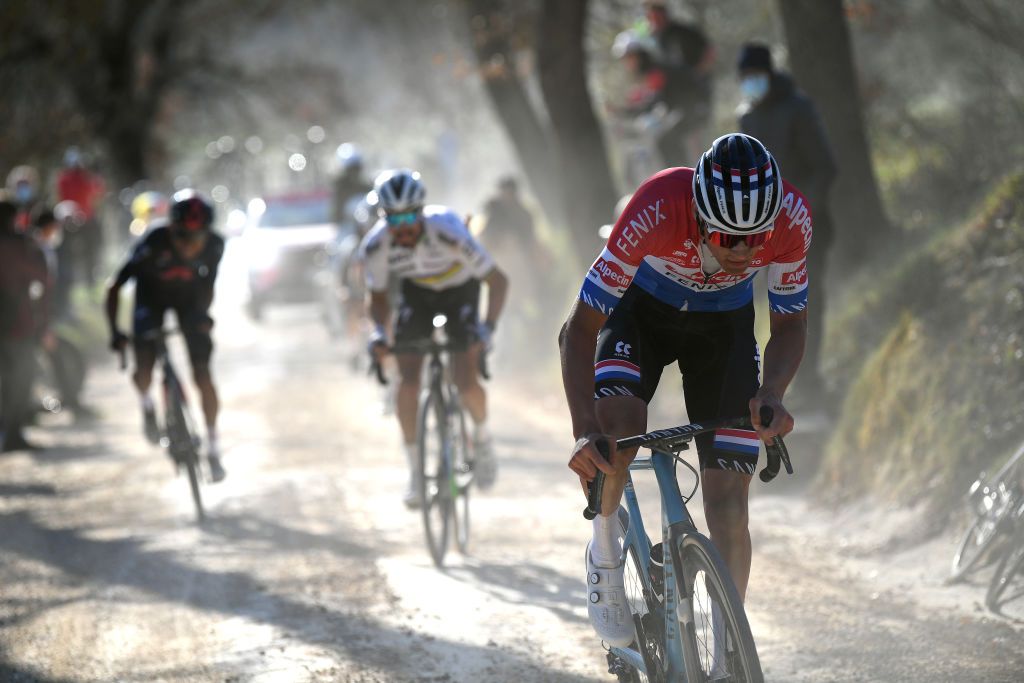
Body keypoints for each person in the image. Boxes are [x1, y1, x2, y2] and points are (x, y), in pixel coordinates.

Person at [559, 133, 811, 645]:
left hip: (723, 329)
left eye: (754, 240)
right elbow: (578, 330)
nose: (743, 253)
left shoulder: (791, 220)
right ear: (699, 218)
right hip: (639, 316)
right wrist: (584, 428)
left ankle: (727, 652)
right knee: (620, 435)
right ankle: (605, 555)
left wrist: (773, 393)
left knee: (729, 501)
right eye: (728, 239)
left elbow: (789, 326)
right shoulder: (657, 206)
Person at [360, 169, 509, 506]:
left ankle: (482, 441)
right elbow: (379, 298)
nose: (404, 227)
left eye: (411, 215)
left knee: (465, 381)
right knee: (407, 380)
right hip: (419, 294)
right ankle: (415, 472)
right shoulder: (376, 245)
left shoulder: (449, 231)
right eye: (394, 219)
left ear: (422, 211)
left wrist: (487, 329)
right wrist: (380, 333)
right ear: (383, 218)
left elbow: (498, 282)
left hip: (462, 292)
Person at [737, 42, 837, 409]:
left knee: (807, 304)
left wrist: (800, 214)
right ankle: (778, 385)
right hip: (761, 235)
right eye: (744, 78)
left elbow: (826, 166)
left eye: (755, 76)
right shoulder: (746, 117)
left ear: (770, 73)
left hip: (808, 228)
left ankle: (811, 382)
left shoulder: (798, 109)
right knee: (768, 307)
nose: (750, 83)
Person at [106, 190, 226, 481]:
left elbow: (208, 286)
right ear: (172, 230)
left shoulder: (215, 244)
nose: (191, 247)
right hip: (150, 302)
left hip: (189, 302)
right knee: (144, 367)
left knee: (203, 375)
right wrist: (116, 332)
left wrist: (203, 317)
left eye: (198, 239)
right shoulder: (152, 243)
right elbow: (115, 288)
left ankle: (213, 446)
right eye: (184, 238)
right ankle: (147, 405)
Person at [0, 198, 52, 452]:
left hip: (14, 324)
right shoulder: (19, 245)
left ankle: (10, 434)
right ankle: (12, 435)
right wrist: (43, 321)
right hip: (17, 325)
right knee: (20, 379)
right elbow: (42, 278)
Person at [642, 1, 714, 165]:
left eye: (654, 14)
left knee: (697, 141)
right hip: (676, 102)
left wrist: (696, 76)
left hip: (696, 97)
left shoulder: (683, 32)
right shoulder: (658, 39)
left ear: (663, 13)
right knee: (669, 140)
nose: (652, 19)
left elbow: (709, 52)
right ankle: (681, 179)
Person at [56, 148, 106, 286]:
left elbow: (97, 192)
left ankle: (88, 279)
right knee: (76, 252)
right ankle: (80, 279)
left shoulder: (79, 178)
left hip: (84, 218)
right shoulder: (69, 179)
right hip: (73, 219)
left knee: (89, 250)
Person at [332, 143, 373, 226]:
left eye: (356, 168)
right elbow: (337, 215)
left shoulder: (368, 186)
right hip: (347, 229)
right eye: (350, 169)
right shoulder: (341, 188)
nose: (354, 173)